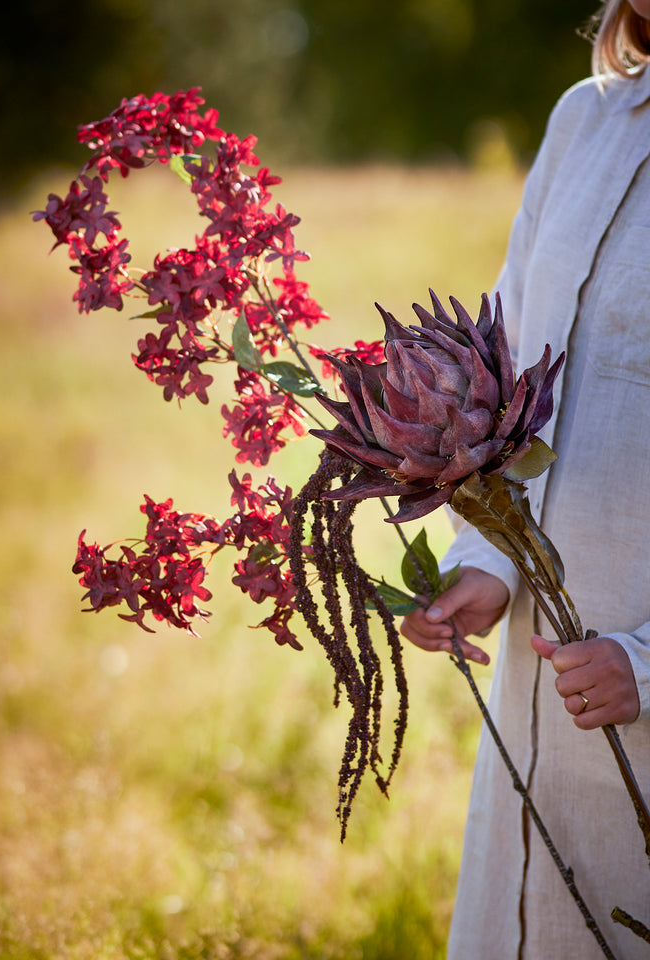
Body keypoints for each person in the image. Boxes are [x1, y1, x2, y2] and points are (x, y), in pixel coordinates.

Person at [400, 1, 650, 957]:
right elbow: (506, 370)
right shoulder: (582, 121)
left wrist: (647, 663)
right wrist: (484, 564)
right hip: (536, 695)